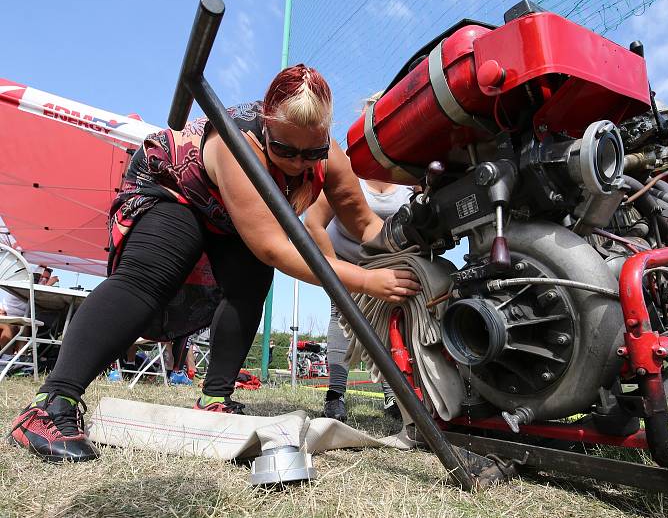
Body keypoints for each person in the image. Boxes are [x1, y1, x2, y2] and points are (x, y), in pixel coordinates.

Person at [9, 64, 420, 463]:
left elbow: (365, 224)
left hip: (230, 218)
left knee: (251, 283)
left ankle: (215, 398)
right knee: (150, 277)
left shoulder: (329, 155)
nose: (298, 163)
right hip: (175, 191)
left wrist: (410, 245)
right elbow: (273, 247)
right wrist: (366, 280)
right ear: (266, 125)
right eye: (284, 150)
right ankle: (50, 406)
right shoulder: (236, 142)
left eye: (310, 152)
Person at [305, 92, 414, 422]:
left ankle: (392, 395)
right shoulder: (348, 166)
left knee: (391, 322)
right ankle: (335, 395)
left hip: (386, 259)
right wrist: (333, 269)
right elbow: (313, 223)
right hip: (344, 255)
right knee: (343, 315)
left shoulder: (409, 170)